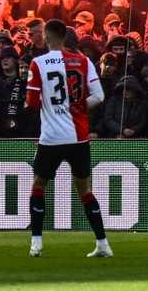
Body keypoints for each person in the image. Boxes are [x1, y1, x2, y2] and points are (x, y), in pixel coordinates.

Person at [24, 19, 110, 259]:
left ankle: (36, 242)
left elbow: (31, 103)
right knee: (85, 190)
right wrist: (77, 108)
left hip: (51, 137)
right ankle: (103, 243)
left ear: (48, 37)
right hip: (79, 137)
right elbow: (99, 96)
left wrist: (49, 106)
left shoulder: (38, 63)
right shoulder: (84, 62)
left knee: (39, 186)